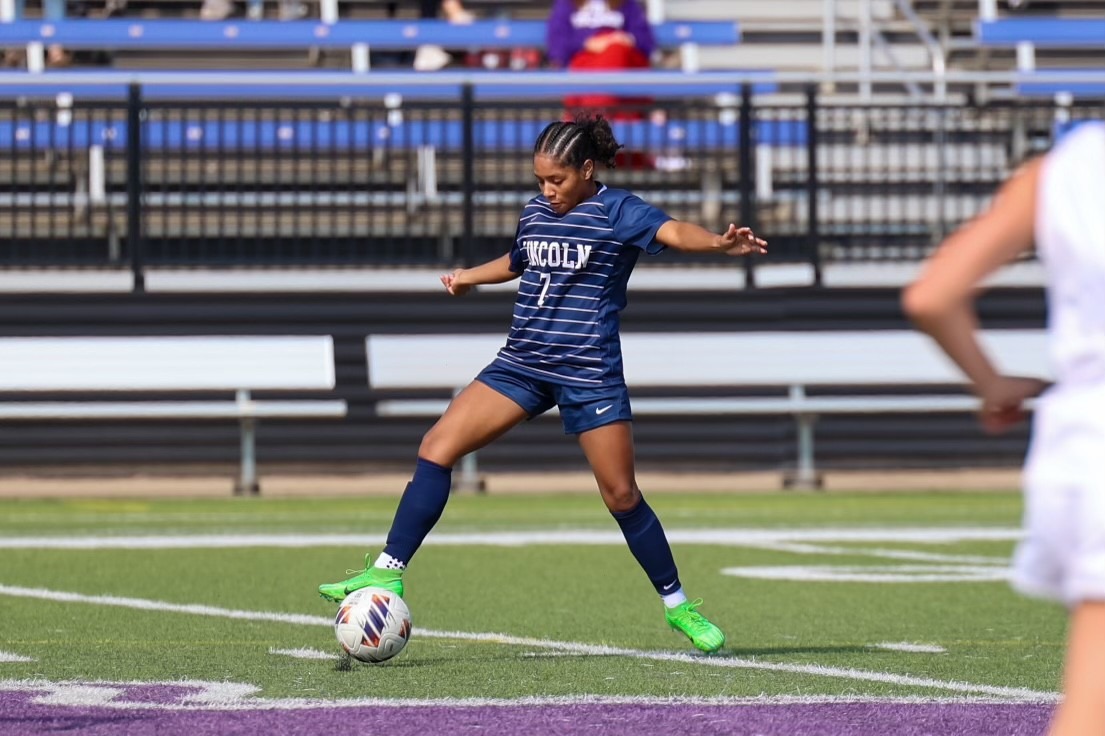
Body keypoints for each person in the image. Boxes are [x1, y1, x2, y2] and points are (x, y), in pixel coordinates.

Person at [319, 114, 768, 654]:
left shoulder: (617, 210)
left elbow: (672, 231)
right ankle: (388, 571)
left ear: (585, 169)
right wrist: (466, 278)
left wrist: (718, 244)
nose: (546, 190)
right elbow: (517, 260)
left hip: (587, 369)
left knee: (621, 494)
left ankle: (680, 608)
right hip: (522, 363)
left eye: (556, 180)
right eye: (539, 180)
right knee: (436, 448)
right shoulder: (536, 211)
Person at [903, 120, 1105, 736]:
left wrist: (992, 385)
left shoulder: (1070, 163)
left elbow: (932, 296)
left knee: (1089, 706)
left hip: (1084, 441)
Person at [546, 0, 655, 119]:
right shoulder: (567, 3)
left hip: (622, 63)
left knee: (616, 52)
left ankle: (591, 119)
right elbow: (558, 45)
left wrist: (624, 39)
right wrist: (587, 43)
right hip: (585, 61)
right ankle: (601, 119)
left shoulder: (626, 3)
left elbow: (645, 43)